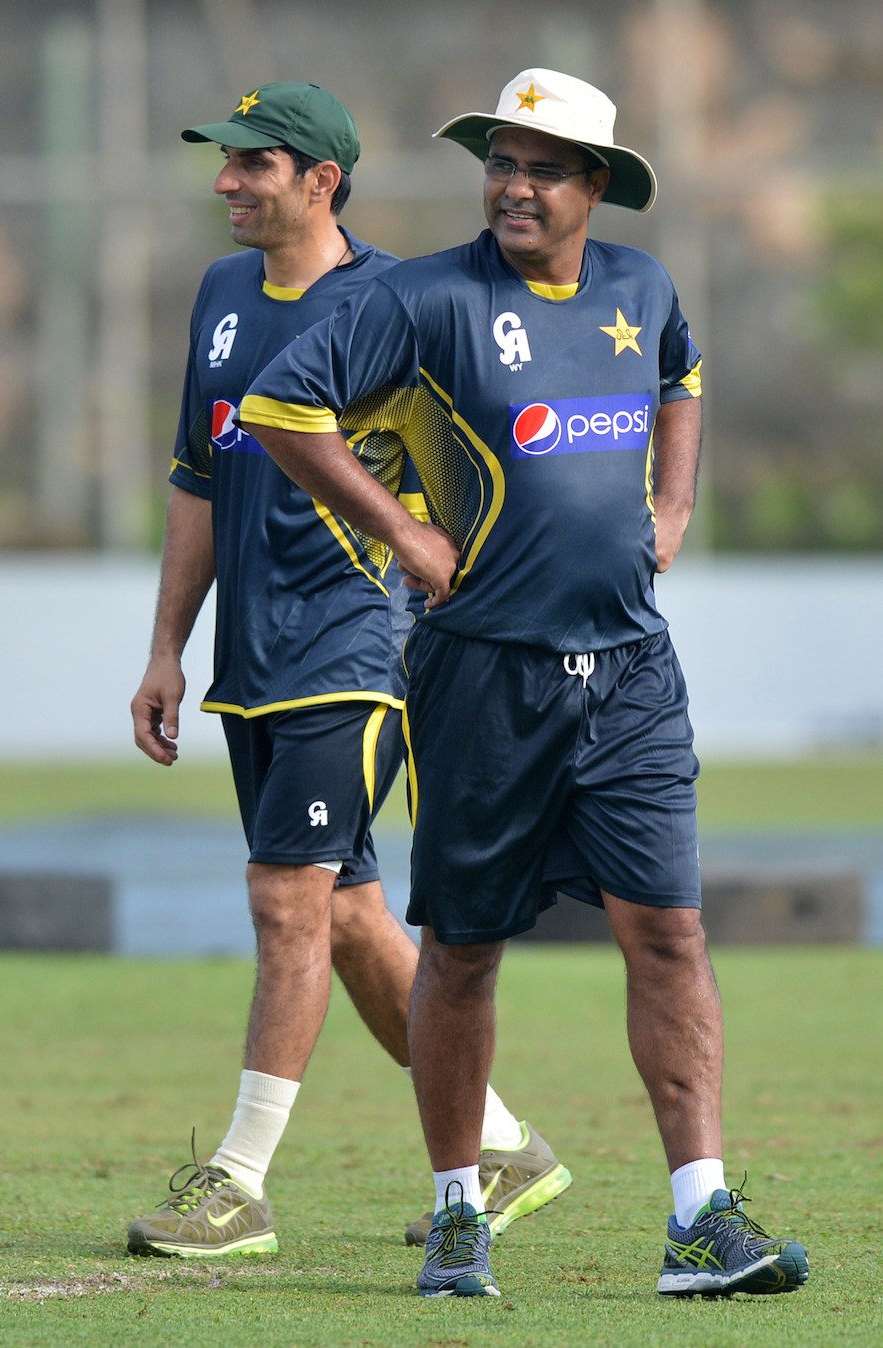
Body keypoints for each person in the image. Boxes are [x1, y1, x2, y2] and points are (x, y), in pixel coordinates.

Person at [237, 68, 810, 1299]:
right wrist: (406, 533)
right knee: (468, 948)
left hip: (635, 672)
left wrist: (675, 499)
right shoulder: (427, 296)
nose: (514, 184)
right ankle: (458, 1211)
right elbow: (284, 408)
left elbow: (683, 376)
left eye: (545, 166)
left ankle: (701, 1220)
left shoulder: (640, 285)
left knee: (669, 932)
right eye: (501, 160)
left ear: (595, 187)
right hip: (483, 678)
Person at [127, 80, 571, 1260]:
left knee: (285, 901)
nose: (226, 182)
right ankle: (504, 1143)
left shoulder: (403, 303)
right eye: (225, 163)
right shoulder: (222, 297)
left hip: (362, 650)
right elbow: (195, 480)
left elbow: (494, 466)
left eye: (253, 165)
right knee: (354, 919)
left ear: (322, 181)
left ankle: (237, 1186)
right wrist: (168, 647)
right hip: (250, 660)